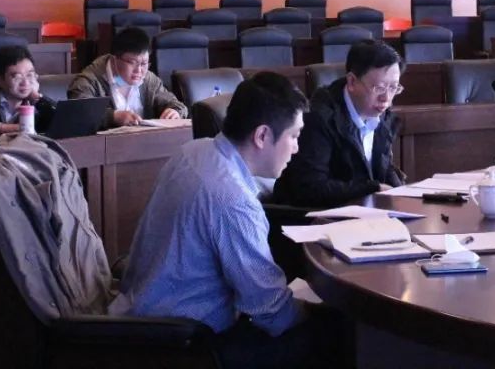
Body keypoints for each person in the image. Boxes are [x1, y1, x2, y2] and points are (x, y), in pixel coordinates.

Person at [110, 72, 346, 369]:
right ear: (262, 136)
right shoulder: (233, 200)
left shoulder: (193, 151)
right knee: (337, 332)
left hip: (143, 317)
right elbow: (271, 314)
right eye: (294, 136)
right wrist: (318, 311)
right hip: (189, 346)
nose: (297, 148)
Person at [273, 39, 406, 207]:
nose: (386, 98)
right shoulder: (319, 118)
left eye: (393, 88)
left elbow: (383, 167)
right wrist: (372, 188)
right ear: (352, 82)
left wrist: (402, 191)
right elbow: (310, 188)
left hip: (363, 213)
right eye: (379, 88)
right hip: (314, 216)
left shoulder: (383, 116)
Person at [68, 26, 185, 126]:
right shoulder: (88, 81)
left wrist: (174, 111)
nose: (139, 70)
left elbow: (177, 105)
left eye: (144, 63)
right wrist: (114, 117)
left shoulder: (149, 79)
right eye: (132, 63)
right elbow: (79, 114)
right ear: (114, 60)